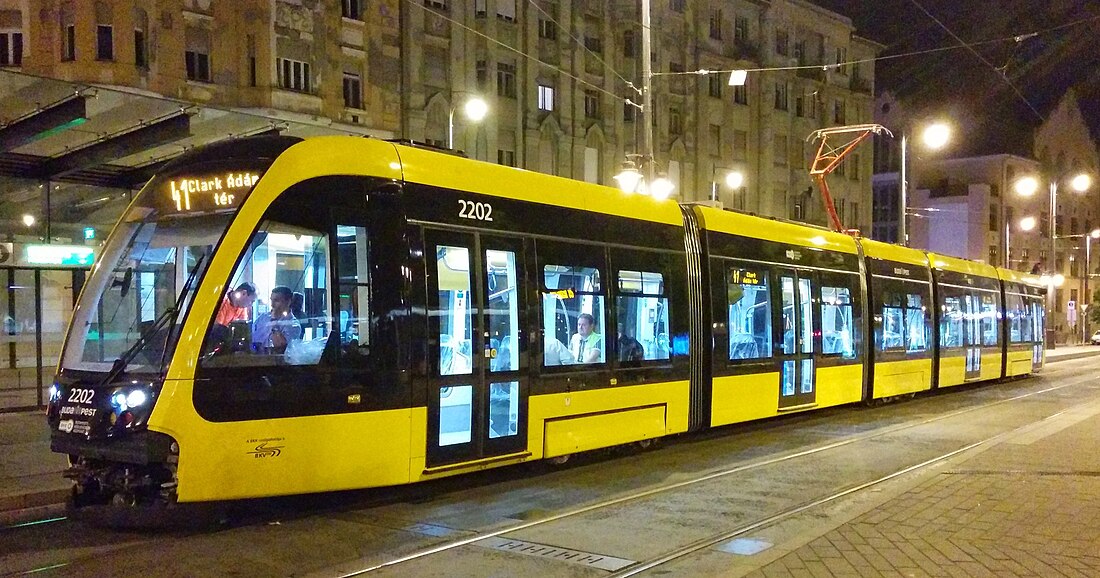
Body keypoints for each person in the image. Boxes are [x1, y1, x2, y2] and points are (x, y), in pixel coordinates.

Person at [253, 286, 302, 354]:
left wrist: (274, 321)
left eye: (276, 301)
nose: (272, 305)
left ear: (288, 301)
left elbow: (280, 345)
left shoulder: (293, 324)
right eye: (271, 300)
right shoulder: (263, 317)